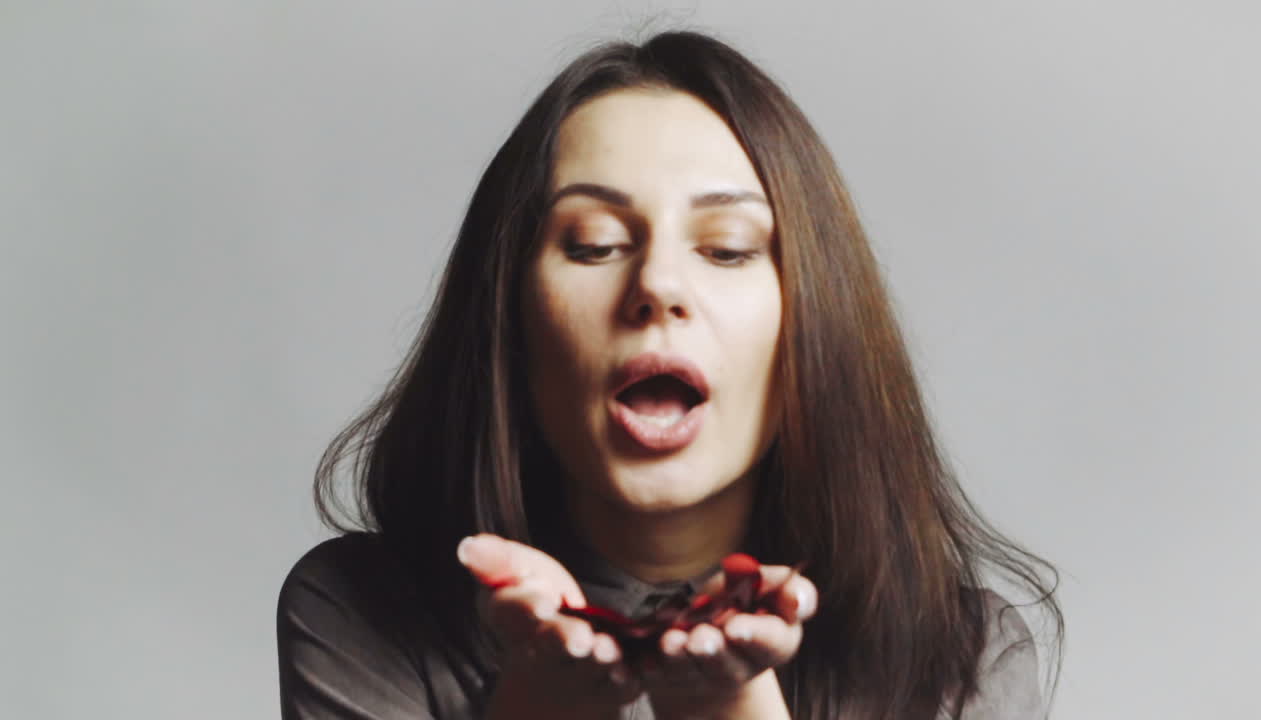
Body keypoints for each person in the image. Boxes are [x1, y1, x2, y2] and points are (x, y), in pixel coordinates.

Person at [276, 30, 1063, 720]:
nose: (658, 285)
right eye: (593, 244)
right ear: (509, 316)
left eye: (725, 249)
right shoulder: (361, 611)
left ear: (813, 325)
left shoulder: (963, 659)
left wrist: (730, 710)